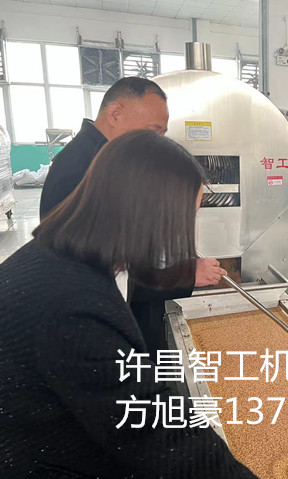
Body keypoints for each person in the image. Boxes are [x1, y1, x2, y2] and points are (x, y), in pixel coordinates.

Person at [0, 130, 257, 478]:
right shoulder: (73, 306)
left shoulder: (63, 253)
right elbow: (157, 432)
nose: (187, 233)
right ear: (149, 215)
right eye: (186, 218)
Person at [40, 76, 225, 355]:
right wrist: (185, 276)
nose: (157, 142)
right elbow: (99, 277)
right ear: (115, 113)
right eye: (153, 131)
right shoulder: (80, 170)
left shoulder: (105, 158)